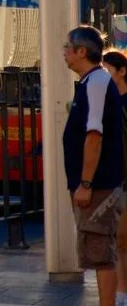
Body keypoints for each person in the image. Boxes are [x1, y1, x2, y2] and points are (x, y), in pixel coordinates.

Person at [64, 26, 124, 306]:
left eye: (68, 47)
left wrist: (86, 183)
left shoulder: (97, 82)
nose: (64, 53)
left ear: (82, 51)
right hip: (93, 184)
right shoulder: (90, 82)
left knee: (101, 253)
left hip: (97, 185)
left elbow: (94, 135)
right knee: (97, 251)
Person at [103, 49, 127, 306]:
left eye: (108, 71)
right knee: (119, 240)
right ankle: (122, 292)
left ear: (121, 72)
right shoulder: (106, 102)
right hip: (113, 179)